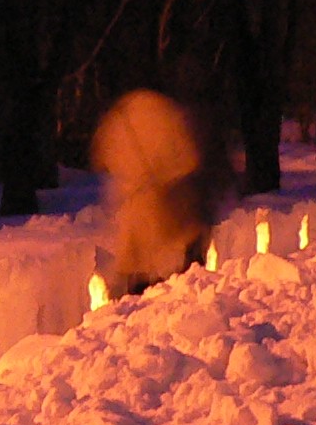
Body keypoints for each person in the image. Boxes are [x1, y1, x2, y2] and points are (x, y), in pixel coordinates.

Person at [91, 90, 226, 297]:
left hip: (136, 203)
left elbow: (101, 159)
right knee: (177, 254)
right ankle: (181, 296)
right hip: (164, 199)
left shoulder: (118, 118)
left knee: (138, 263)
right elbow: (188, 157)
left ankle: (139, 301)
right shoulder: (163, 110)